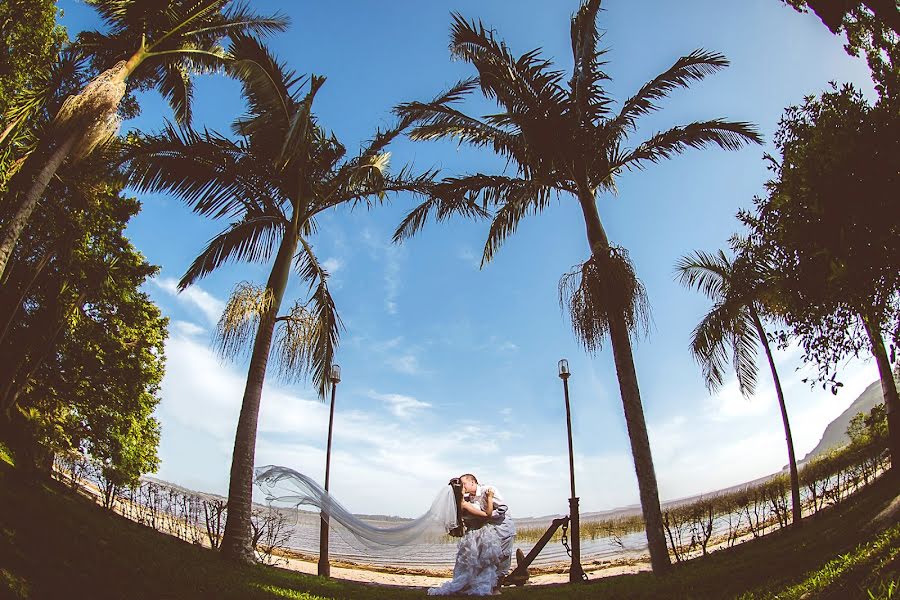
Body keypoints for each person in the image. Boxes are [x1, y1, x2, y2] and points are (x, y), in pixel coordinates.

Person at [428, 473, 516, 596]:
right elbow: (484, 515)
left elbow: (502, 508)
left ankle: (495, 587)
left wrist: (486, 514)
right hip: (483, 533)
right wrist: (485, 517)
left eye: (464, 484)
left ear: (473, 482)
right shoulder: (466, 500)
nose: (462, 487)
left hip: (502, 529)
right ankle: (484, 586)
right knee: (486, 560)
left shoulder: (488, 490)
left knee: (501, 558)